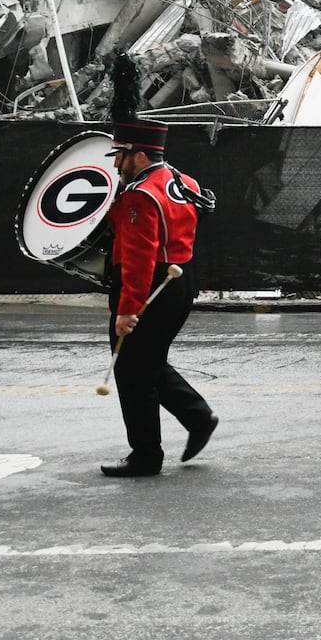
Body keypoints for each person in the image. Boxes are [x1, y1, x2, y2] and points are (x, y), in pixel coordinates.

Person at [100, 51, 218, 478]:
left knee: (131, 370)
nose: (115, 163)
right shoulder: (181, 181)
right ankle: (193, 420)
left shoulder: (139, 194)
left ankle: (148, 453)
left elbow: (138, 256)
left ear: (140, 155)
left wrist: (128, 309)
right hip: (179, 283)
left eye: (121, 155)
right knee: (145, 363)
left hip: (148, 285)